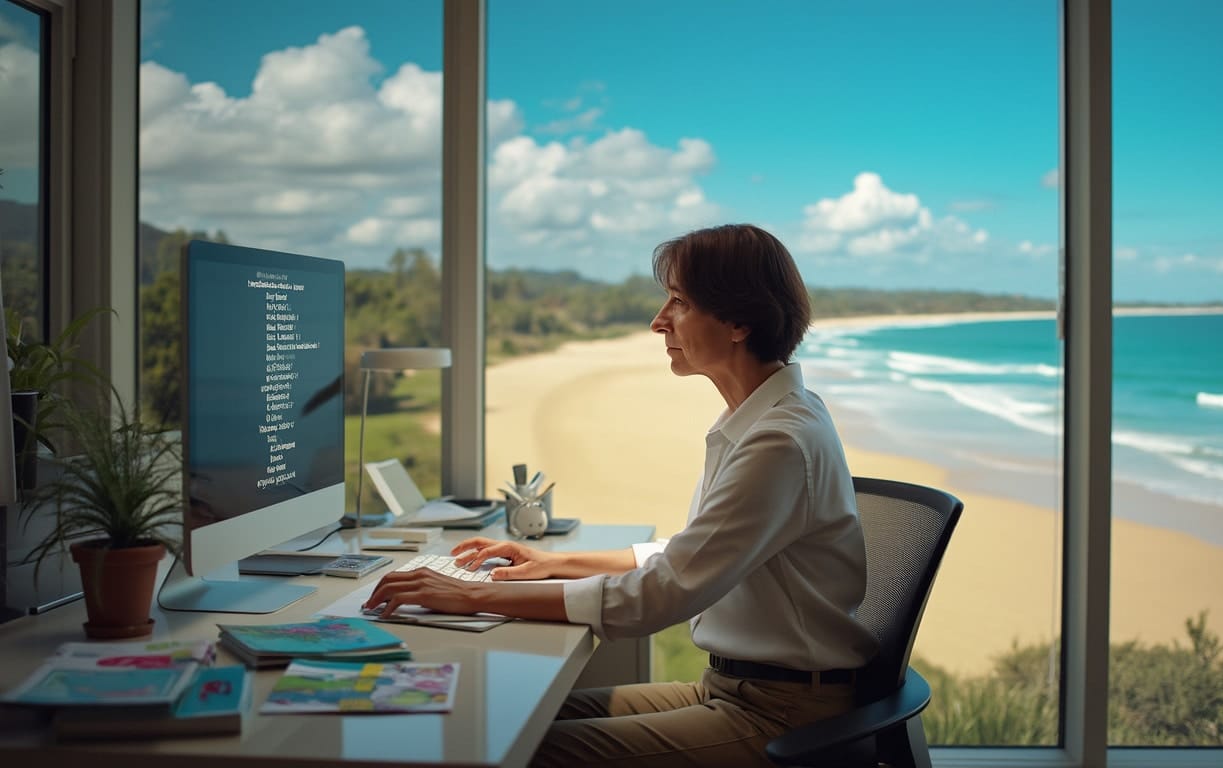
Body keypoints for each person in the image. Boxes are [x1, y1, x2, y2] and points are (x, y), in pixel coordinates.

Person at [364, 223, 878, 767]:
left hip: (780, 716)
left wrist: (472, 596)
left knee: (511, 744)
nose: (658, 321)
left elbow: (659, 595)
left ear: (738, 321)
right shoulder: (757, 420)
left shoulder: (779, 440)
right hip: (729, 690)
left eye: (678, 302)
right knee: (499, 710)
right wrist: (553, 562)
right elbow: (689, 556)